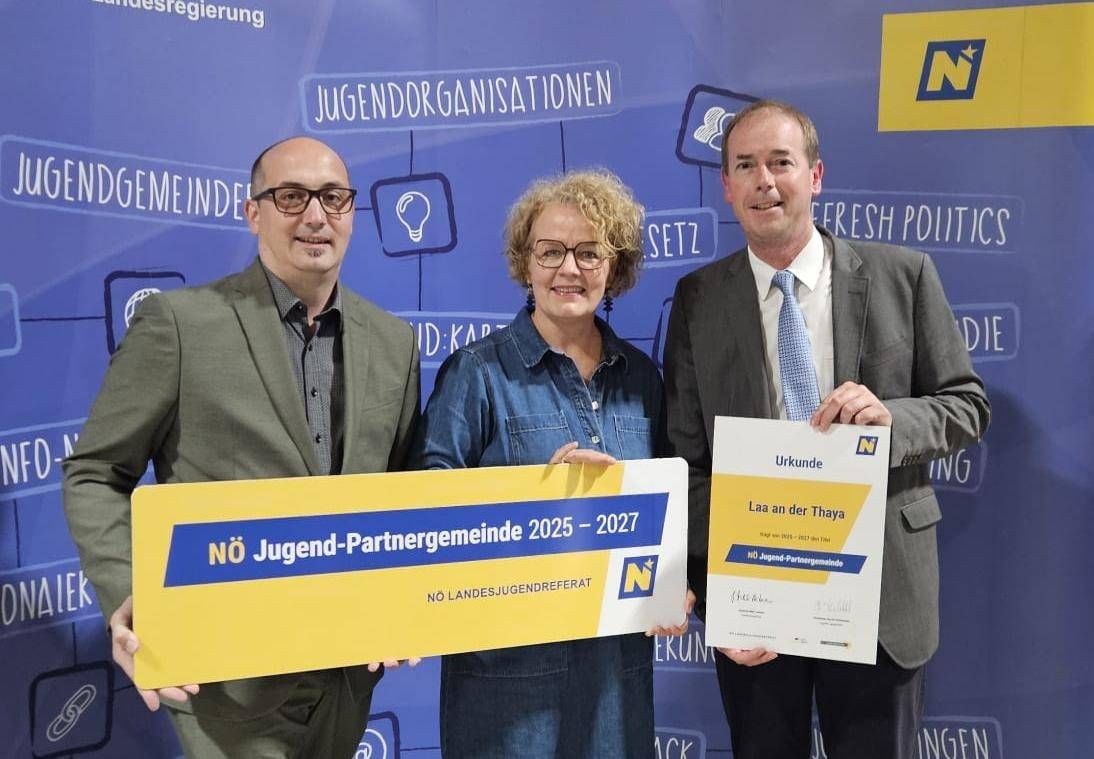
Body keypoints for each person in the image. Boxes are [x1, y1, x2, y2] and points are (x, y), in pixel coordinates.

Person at [62, 136, 420, 759]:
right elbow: (95, 472)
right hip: (225, 684)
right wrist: (130, 593)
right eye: (291, 197)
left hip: (348, 681)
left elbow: (404, 491)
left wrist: (408, 601)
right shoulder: (179, 324)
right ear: (253, 212)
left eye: (333, 198)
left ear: (353, 214)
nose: (315, 215)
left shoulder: (394, 342)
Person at [663, 100, 990, 759]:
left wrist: (890, 419)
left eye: (781, 162)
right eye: (745, 166)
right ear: (725, 186)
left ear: (815, 175)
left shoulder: (905, 273)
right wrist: (725, 600)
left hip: (878, 596)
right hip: (758, 598)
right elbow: (686, 461)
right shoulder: (698, 298)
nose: (765, 181)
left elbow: (967, 405)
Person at [412, 169, 692, 758]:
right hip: (507, 682)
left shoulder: (642, 378)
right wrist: (537, 500)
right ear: (525, 263)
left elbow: (668, 505)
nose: (570, 269)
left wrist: (675, 584)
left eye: (590, 253)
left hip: (616, 678)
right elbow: (430, 512)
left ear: (615, 267)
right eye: (551, 252)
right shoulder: (477, 373)